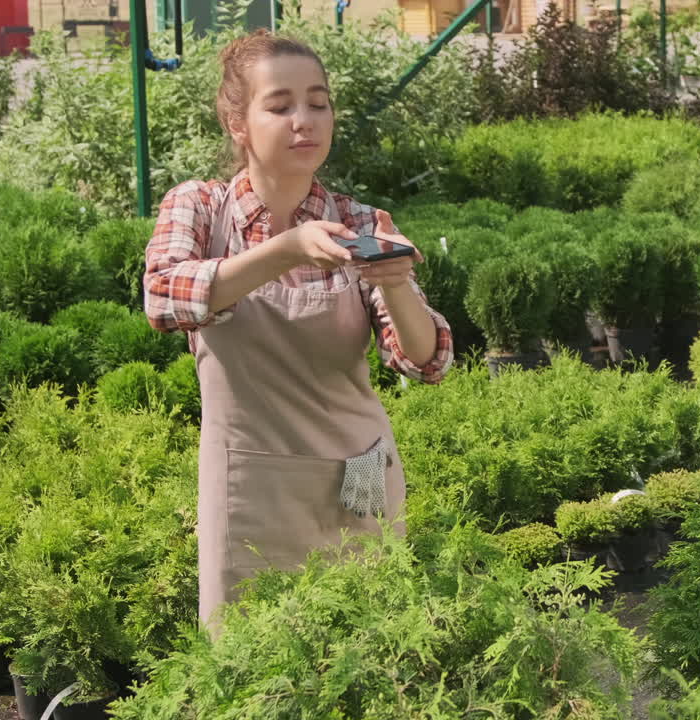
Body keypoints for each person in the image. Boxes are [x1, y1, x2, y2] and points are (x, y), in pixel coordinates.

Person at [142, 30, 453, 633]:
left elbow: (426, 361)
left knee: (363, 648)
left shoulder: (357, 221)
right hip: (250, 482)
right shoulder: (201, 210)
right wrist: (283, 251)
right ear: (238, 121)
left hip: (357, 472)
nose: (304, 121)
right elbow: (162, 297)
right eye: (280, 105)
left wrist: (394, 282)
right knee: (249, 655)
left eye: (319, 102)